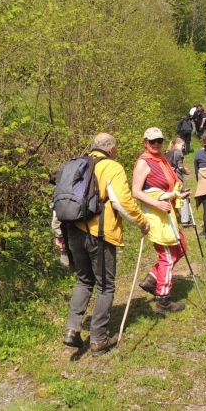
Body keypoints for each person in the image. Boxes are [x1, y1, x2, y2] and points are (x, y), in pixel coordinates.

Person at [55, 133, 150, 356]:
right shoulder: (112, 167)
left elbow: (60, 201)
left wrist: (59, 232)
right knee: (105, 285)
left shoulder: (75, 165)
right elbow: (121, 202)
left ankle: (72, 330)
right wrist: (141, 222)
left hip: (73, 231)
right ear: (112, 149)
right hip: (99, 234)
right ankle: (98, 339)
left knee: (84, 280)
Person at [132, 128, 191, 313]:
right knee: (167, 256)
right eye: (152, 141)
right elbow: (136, 191)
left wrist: (179, 194)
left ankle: (152, 279)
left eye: (159, 141)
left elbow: (167, 185)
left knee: (181, 248)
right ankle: (163, 300)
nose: (156, 144)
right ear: (145, 142)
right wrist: (157, 204)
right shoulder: (143, 162)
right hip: (156, 216)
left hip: (168, 214)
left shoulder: (162, 159)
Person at [165, 137, 192, 224]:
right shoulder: (178, 153)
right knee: (183, 196)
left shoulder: (167, 153)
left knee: (171, 197)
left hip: (168, 178)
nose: (183, 147)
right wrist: (186, 172)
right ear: (176, 144)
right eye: (182, 145)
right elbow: (180, 167)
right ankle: (185, 220)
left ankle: (172, 217)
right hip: (177, 179)